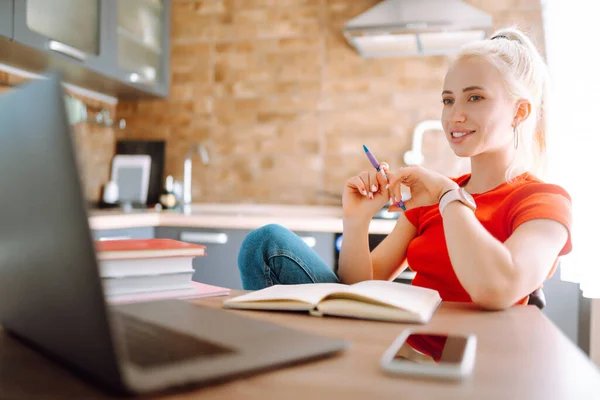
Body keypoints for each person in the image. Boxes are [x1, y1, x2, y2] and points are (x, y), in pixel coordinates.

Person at [237, 26, 572, 311]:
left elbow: (497, 288)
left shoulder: (543, 201)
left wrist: (448, 197)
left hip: (470, 364)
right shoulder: (435, 197)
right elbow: (358, 289)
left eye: (475, 98)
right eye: (447, 100)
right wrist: (356, 221)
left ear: (520, 112)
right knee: (265, 243)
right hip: (398, 345)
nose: (454, 115)